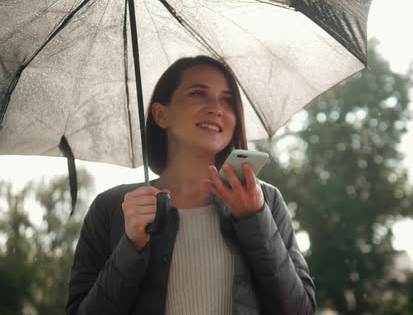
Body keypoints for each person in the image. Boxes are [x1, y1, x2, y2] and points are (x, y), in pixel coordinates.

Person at [66, 56, 316, 314]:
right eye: (198, 93)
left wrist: (254, 219)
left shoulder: (265, 201)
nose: (216, 109)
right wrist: (131, 245)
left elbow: (300, 310)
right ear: (161, 114)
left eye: (227, 100)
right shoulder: (110, 208)